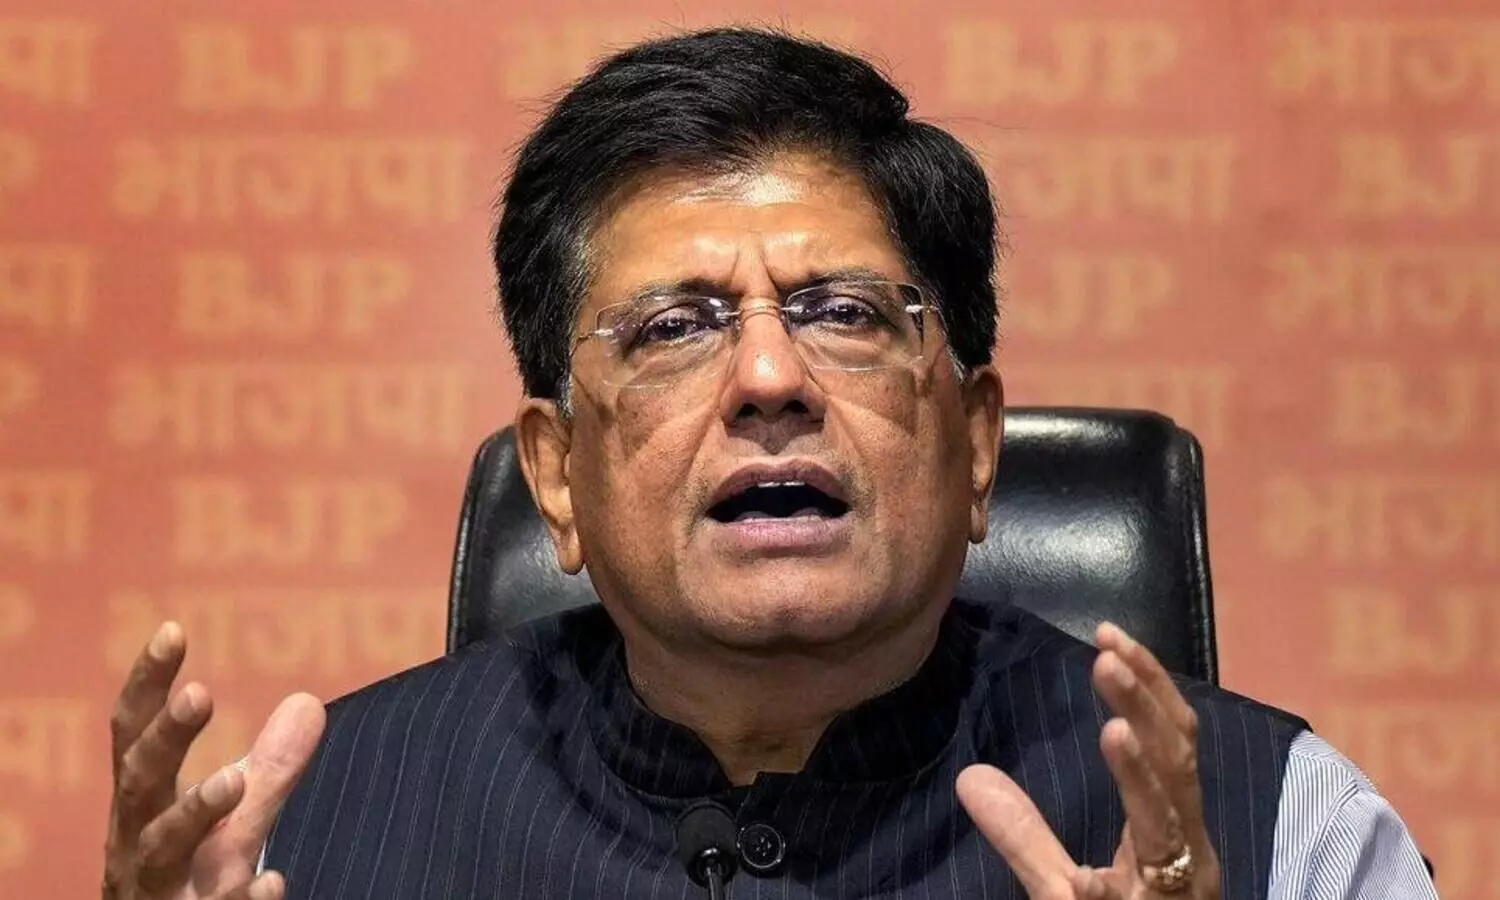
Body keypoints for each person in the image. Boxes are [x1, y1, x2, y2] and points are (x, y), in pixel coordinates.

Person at [101, 28, 1438, 900]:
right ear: (555, 476)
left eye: (844, 313)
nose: (768, 379)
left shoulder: (1287, 830)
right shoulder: (308, 838)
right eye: (673, 328)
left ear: (977, 443)